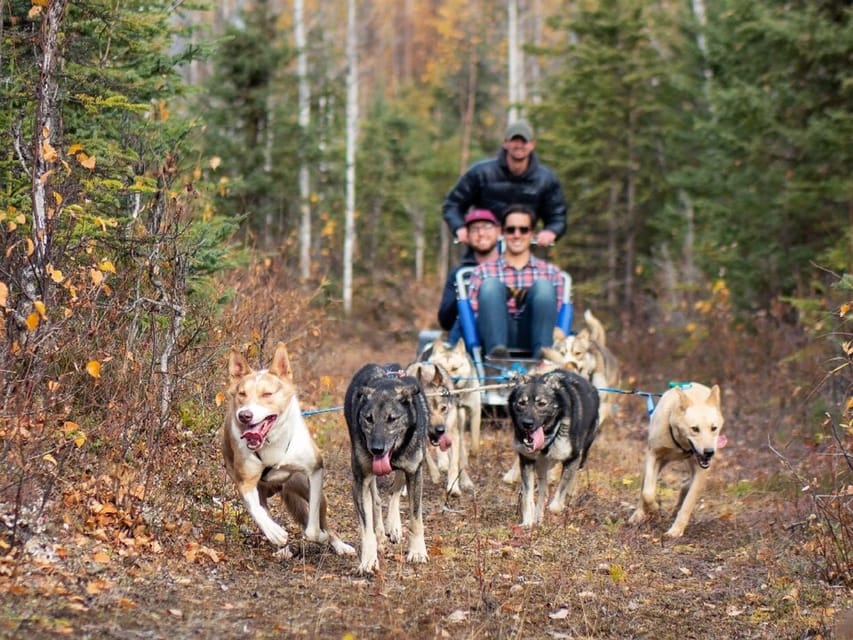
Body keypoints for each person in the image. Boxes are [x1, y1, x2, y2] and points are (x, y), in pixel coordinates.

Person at [442, 119, 568, 252]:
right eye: (514, 140)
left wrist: (551, 231)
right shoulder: (480, 173)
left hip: (523, 251)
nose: (519, 145)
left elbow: (557, 216)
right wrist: (460, 228)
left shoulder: (546, 179)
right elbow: (452, 204)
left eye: (524, 141)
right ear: (505, 143)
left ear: (532, 144)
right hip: (482, 250)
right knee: (461, 273)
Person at [467, 204, 564, 359]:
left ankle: (543, 357)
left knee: (544, 287)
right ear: (502, 232)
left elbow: (554, 316)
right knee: (491, 285)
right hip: (495, 333)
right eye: (510, 230)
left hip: (536, 331)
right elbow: (476, 315)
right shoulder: (482, 272)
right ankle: (497, 356)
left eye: (523, 229)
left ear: (532, 233)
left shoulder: (551, 273)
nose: (516, 235)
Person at [437, 208, 501, 346]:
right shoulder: (460, 274)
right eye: (474, 229)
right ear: (467, 236)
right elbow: (445, 321)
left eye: (487, 227)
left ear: (498, 231)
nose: (481, 233)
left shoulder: (511, 269)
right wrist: (464, 294)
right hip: (468, 336)